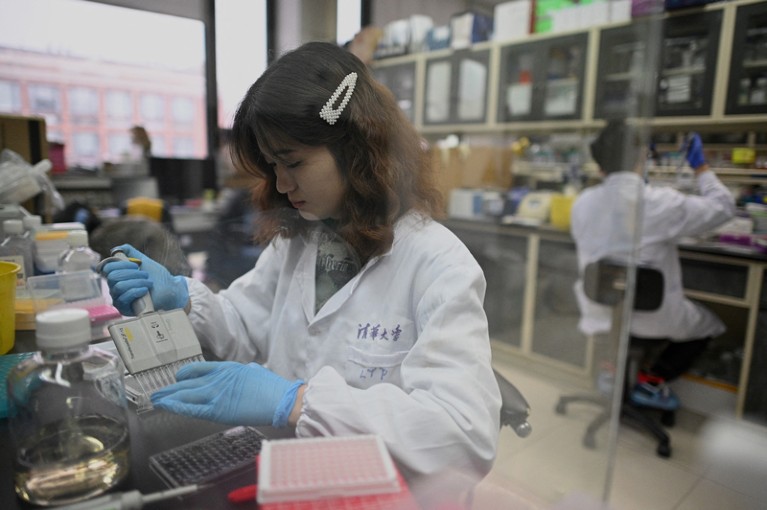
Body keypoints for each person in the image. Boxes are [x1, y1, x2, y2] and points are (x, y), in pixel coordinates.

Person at [101, 41, 501, 502]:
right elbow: (244, 327)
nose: (282, 185)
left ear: (355, 149)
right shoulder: (303, 239)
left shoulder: (438, 264)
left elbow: (460, 434)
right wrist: (184, 298)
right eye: (272, 167)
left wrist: (298, 402)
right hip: (290, 483)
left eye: (293, 163)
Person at [571, 121, 736, 409]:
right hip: (652, 317)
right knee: (710, 325)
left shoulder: (582, 203)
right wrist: (701, 168)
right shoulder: (661, 203)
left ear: (601, 164)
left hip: (601, 311)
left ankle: (612, 371)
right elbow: (723, 207)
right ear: (641, 157)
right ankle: (652, 380)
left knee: (624, 323)